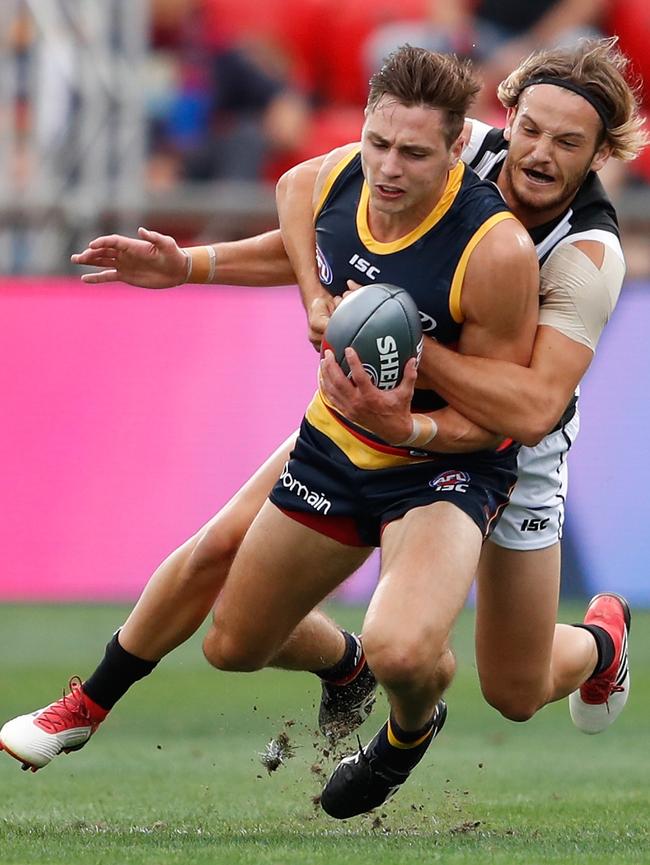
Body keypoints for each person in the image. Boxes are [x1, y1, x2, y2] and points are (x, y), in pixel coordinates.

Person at [2, 38, 643, 815]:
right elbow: (311, 202)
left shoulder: (585, 254)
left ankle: (602, 642)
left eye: (567, 142)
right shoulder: (451, 142)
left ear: (601, 152)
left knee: (514, 686)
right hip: (372, 415)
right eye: (531, 127)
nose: (538, 151)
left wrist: (399, 348)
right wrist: (228, 275)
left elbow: (533, 407)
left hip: (502, 443)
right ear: (507, 113)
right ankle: (327, 668)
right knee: (224, 573)